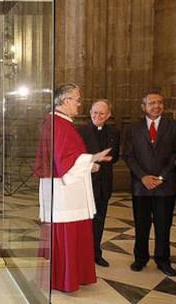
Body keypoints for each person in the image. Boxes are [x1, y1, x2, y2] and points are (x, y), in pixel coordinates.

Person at [34, 83, 113, 292]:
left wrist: (90, 163)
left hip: (64, 190)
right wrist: (91, 161)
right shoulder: (58, 123)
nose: (79, 104)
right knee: (67, 235)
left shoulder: (59, 122)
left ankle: (69, 276)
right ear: (66, 100)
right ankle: (64, 279)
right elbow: (64, 160)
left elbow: (67, 157)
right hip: (64, 193)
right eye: (77, 100)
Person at [123, 91, 176, 276]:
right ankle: (140, 258)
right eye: (151, 103)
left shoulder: (174, 126)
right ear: (144, 106)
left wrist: (161, 177)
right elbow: (128, 156)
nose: (156, 106)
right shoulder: (132, 128)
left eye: (159, 102)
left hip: (165, 186)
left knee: (163, 225)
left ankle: (163, 260)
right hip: (141, 186)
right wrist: (143, 177)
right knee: (141, 225)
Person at [79, 99, 120, 267]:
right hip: (86, 183)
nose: (97, 116)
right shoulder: (80, 131)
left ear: (108, 115)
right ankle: (82, 254)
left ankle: (96, 253)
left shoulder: (114, 133)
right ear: (90, 113)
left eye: (102, 113)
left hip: (104, 184)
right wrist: (90, 164)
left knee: (99, 220)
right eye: (94, 112)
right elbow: (76, 157)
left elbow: (115, 156)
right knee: (83, 221)